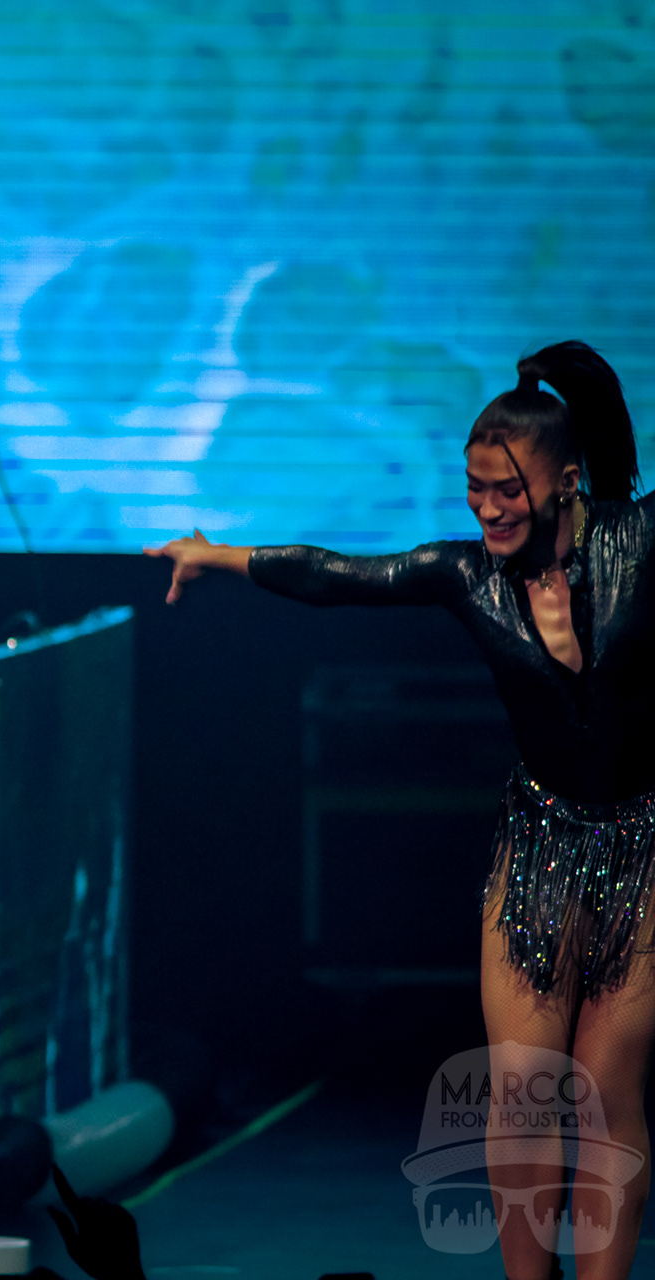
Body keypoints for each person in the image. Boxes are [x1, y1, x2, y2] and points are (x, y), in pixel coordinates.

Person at [148, 341, 652, 1280]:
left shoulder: (641, 540)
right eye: (474, 489)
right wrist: (217, 556)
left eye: (508, 490)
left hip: (639, 855)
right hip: (537, 849)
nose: (488, 509)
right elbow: (340, 575)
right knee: (523, 1092)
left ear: (567, 481)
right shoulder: (466, 575)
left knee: (605, 1089)